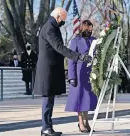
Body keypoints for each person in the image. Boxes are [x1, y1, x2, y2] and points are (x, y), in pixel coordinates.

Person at [33, 7, 92, 136]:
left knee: (50, 100)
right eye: (63, 19)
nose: (63, 22)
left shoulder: (53, 27)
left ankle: (48, 127)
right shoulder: (49, 28)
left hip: (51, 69)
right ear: (58, 16)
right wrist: (78, 56)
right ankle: (45, 128)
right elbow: (59, 47)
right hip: (47, 70)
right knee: (47, 100)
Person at [65, 20, 97, 133]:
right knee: (79, 99)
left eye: (90, 29)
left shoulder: (94, 41)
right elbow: (71, 59)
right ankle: (80, 122)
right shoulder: (75, 41)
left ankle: (86, 121)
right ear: (82, 28)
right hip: (79, 73)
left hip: (90, 73)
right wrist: (71, 76)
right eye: (87, 28)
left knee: (87, 99)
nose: (89, 31)